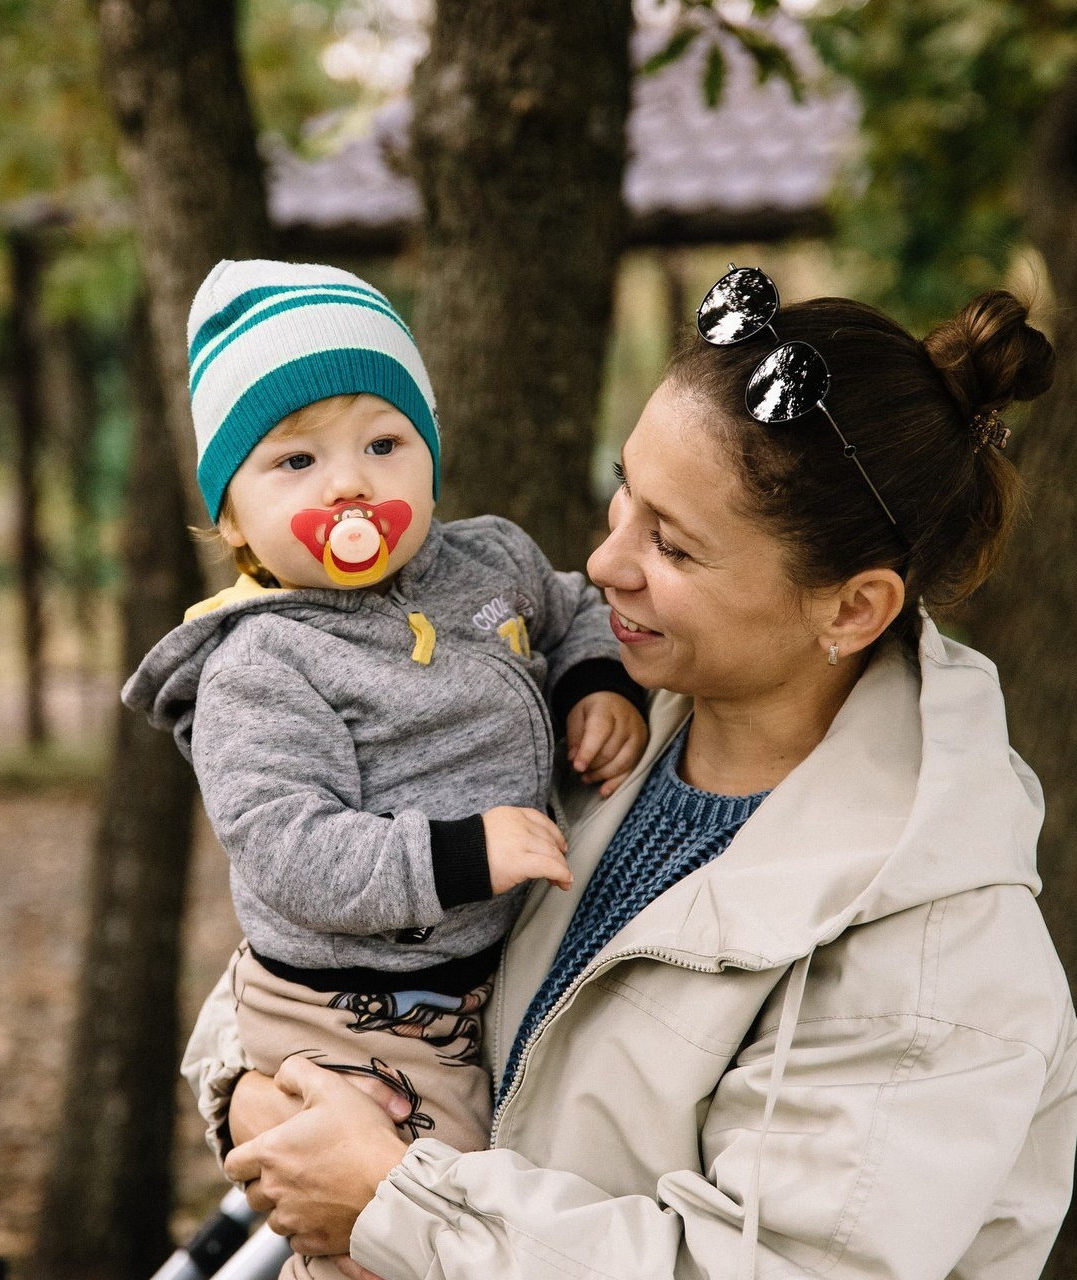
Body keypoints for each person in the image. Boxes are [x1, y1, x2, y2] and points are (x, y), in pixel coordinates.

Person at [215, 265, 1077, 1280]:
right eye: (624, 491)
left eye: (669, 542)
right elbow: (315, 925)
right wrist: (247, 1088)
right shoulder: (583, 719)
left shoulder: (935, 953)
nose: (604, 560)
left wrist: (396, 1202)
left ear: (851, 607)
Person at [122, 259, 649, 1274]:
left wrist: (596, 683)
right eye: (294, 462)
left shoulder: (487, 561)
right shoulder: (264, 664)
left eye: (381, 440)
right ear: (231, 522)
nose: (350, 481)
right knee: (387, 1239)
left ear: (428, 453)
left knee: (481, 1214)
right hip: (352, 1015)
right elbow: (289, 851)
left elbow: (576, 602)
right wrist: (458, 854)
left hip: (471, 987)